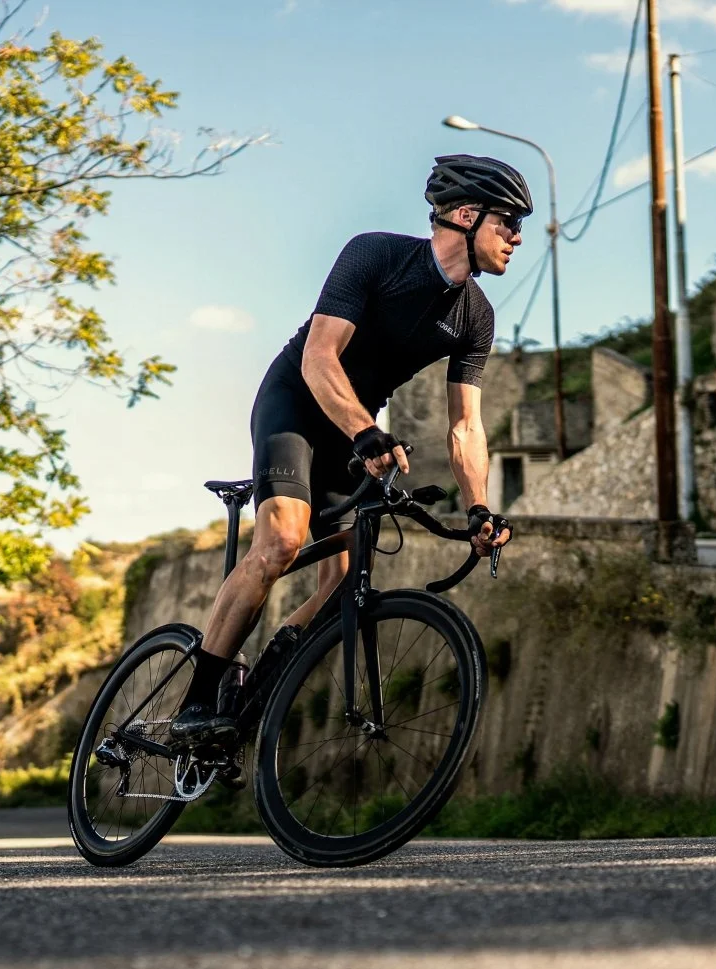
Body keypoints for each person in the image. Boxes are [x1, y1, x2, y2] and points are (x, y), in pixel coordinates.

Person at [171, 155, 525, 745]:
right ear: (466, 215)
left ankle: (253, 692)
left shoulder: (475, 317)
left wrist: (479, 508)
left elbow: (465, 425)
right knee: (282, 541)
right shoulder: (375, 255)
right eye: (508, 221)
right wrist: (364, 431)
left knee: (344, 584)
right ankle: (197, 701)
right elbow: (319, 357)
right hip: (297, 402)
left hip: (356, 431)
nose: (516, 237)